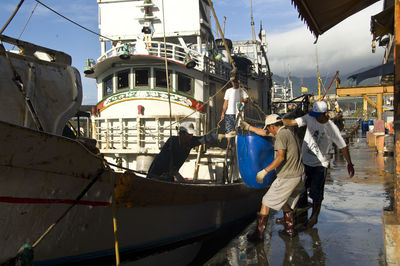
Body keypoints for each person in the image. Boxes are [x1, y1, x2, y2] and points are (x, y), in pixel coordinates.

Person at [282, 101, 354, 228]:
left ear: (326, 113)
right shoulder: (310, 117)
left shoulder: (332, 128)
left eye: (318, 114)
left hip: (320, 165)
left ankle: (314, 217)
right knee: (299, 190)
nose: (315, 116)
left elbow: (343, 146)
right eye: (314, 114)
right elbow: (292, 122)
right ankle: (294, 215)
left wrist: (350, 163)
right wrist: (280, 120)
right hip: (305, 162)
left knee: (316, 194)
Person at [240, 114, 305, 240]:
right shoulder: (287, 132)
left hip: (287, 177)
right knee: (284, 202)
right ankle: (289, 230)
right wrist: (249, 127)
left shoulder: (280, 136)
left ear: (273, 126)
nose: (268, 130)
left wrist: (264, 171)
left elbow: (280, 157)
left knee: (266, 201)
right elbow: (264, 133)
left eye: (268, 128)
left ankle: (259, 235)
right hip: (299, 175)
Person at [147, 122, 232, 182]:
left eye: (191, 134)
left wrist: (224, 135)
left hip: (170, 175)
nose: (191, 136)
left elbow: (207, 138)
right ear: (182, 134)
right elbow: (163, 159)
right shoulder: (172, 141)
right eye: (189, 134)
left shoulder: (191, 141)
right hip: (157, 172)